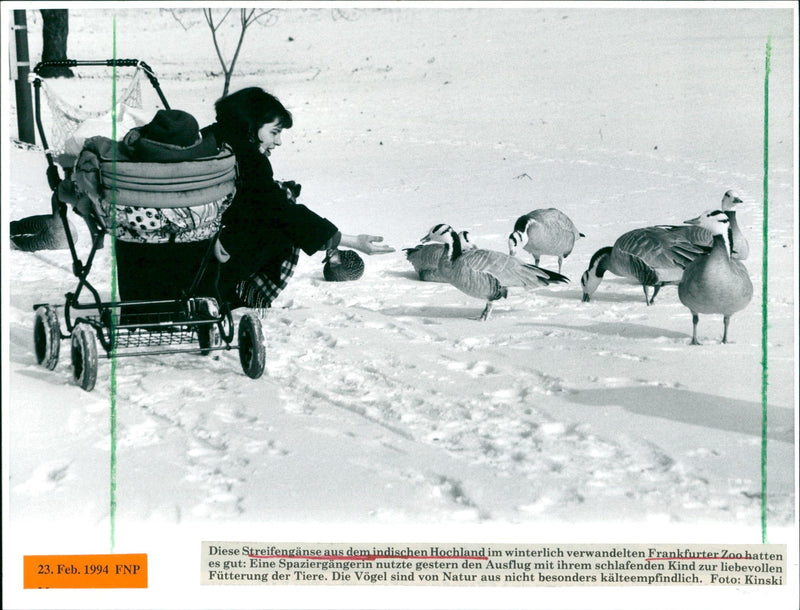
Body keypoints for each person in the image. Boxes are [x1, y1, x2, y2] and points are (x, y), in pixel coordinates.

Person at [200, 87, 394, 308]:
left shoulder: (209, 139)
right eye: (274, 132)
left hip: (186, 251)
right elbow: (280, 211)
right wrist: (349, 240)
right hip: (210, 258)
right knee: (281, 228)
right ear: (250, 125)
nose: (279, 141)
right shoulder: (247, 157)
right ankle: (230, 295)